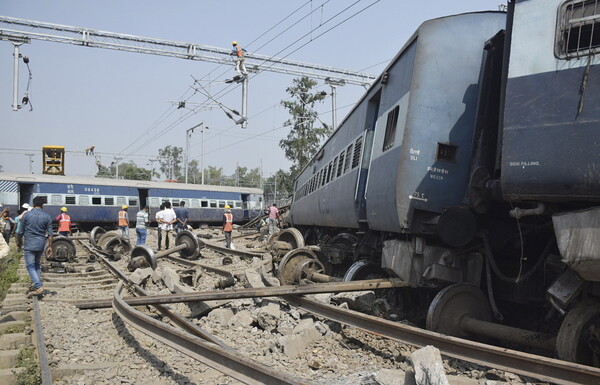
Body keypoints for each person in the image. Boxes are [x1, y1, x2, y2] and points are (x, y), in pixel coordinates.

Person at [21, 196, 53, 296]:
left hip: (29, 244)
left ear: (33, 204)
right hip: (40, 244)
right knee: (36, 265)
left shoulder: (27, 215)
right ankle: (37, 284)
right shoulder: (47, 216)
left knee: (30, 266)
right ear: (42, 205)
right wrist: (50, 246)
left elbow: (20, 231)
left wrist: (18, 242)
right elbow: (50, 234)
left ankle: (38, 286)